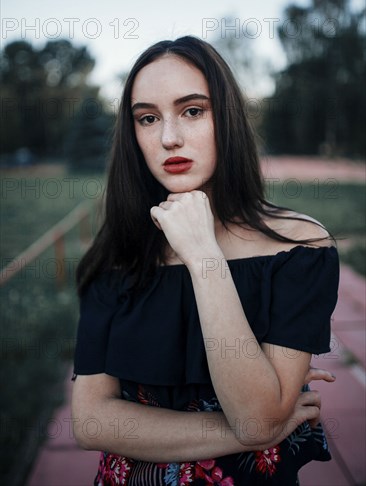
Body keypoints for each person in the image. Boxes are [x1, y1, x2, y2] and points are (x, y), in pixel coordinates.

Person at [71, 36, 339, 485]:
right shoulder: (117, 254)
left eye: (192, 110)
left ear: (227, 118)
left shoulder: (299, 247)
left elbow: (256, 417)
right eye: (148, 118)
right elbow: (91, 422)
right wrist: (246, 434)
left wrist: (202, 254)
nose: (169, 137)